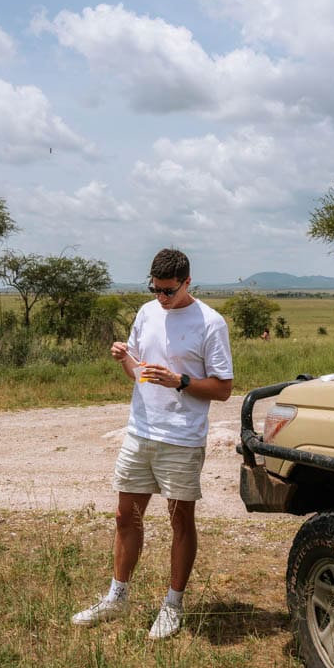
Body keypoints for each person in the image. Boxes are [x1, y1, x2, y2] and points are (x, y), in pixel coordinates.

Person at [71, 248, 233, 640]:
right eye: (155, 289)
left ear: (187, 282)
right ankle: (116, 597)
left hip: (181, 438)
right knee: (126, 517)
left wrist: (180, 381)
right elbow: (139, 373)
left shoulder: (210, 323)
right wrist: (124, 357)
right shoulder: (146, 313)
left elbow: (224, 389)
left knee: (180, 520)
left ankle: (172, 605)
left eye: (169, 291)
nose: (161, 297)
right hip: (140, 431)